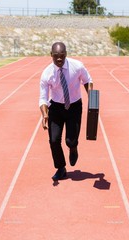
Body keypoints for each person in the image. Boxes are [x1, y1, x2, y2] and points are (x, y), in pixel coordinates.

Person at [39, 42, 93, 181]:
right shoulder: (46, 74)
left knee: (70, 141)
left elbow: (87, 81)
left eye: (62, 56)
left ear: (66, 54)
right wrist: (45, 115)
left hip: (74, 106)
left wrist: (93, 101)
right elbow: (43, 98)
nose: (59, 59)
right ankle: (61, 168)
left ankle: (73, 147)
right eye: (56, 56)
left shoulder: (77, 66)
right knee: (53, 140)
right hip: (56, 108)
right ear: (51, 55)